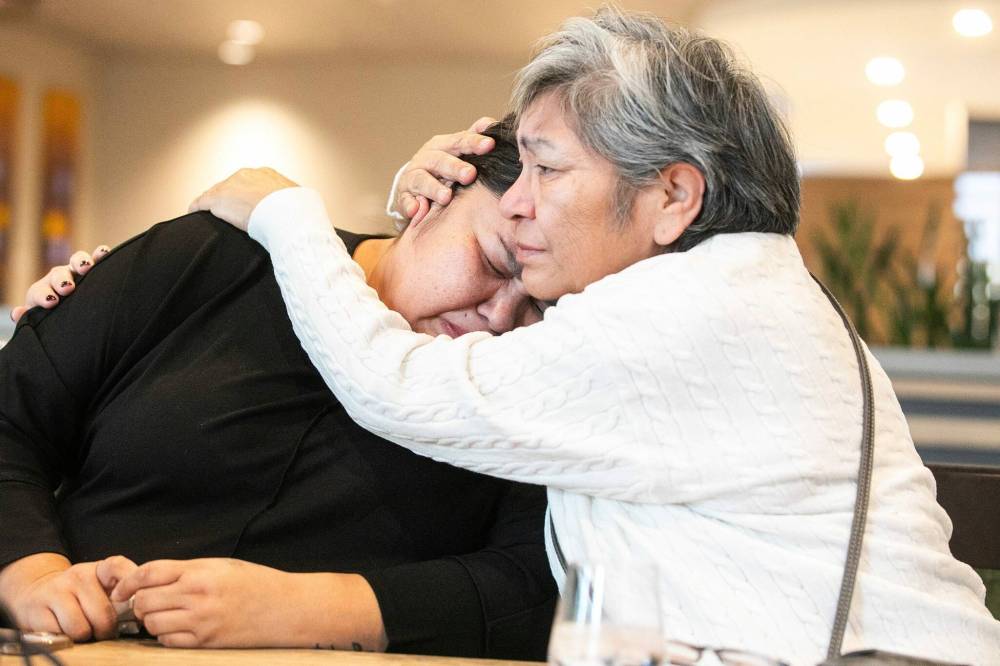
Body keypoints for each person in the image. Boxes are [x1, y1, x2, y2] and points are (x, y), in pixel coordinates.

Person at [187, 8, 1000, 665]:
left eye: (547, 169)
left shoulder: (683, 315)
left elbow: (393, 386)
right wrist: (425, 203)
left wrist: (290, 217)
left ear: (673, 197)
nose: (517, 201)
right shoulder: (738, 291)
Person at [0, 121, 557, 657]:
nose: (500, 315)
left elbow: (536, 581)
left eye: (541, 302)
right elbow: (11, 420)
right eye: (492, 262)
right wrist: (32, 575)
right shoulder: (208, 256)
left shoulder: (529, 392)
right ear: (428, 201)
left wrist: (307, 608)